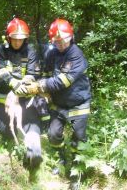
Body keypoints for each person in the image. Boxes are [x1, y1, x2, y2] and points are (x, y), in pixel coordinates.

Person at [24, 18, 91, 189]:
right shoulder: (51, 53)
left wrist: (39, 86)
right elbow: (46, 73)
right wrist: (40, 86)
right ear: (52, 41)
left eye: (64, 40)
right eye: (57, 41)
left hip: (78, 103)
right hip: (59, 103)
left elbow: (63, 81)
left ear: (71, 37)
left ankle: (77, 171)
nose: (61, 44)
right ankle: (61, 159)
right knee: (53, 134)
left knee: (79, 137)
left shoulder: (76, 54)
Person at [0, 18, 42, 169]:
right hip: (4, 95)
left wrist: (25, 83)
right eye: (14, 39)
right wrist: (13, 83)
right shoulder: (0, 51)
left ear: (25, 39)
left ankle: (34, 153)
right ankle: (11, 153)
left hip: (25, 96)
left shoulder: (30, 51)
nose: (17, 42)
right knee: (3, 128)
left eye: (21, 39)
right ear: (8, 37)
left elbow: (33, 72)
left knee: (31, 122)